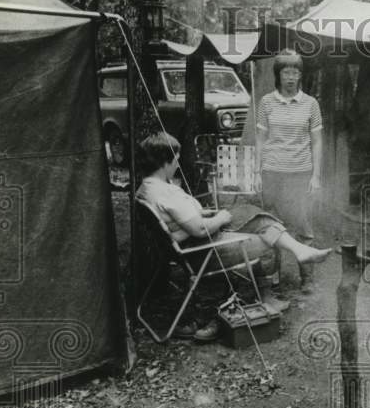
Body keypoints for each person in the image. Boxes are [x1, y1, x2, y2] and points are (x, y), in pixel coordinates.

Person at [137, 132, 331, 336]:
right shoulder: (166, 193)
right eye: (175, 157)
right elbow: (200, 229)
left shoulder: (147, 188)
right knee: (266, 237)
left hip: (190, 248)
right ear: (163, 161)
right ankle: (270, 287)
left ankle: (297, 253)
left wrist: (203, 217)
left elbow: (179, 226)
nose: (177, 162)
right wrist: (220, 217)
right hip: (203, 252)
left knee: (257, 218)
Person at [255, 49, 324, 294]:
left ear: (301, 75)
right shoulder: (266, 102)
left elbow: (316, 142)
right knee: (271, 225)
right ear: (279, 74)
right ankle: (272, 278)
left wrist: (315, 176)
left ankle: (307, 278)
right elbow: (261, 140)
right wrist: (257, 172)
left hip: (300, 173)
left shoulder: (311, 104)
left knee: (303, 225)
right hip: (272, 172)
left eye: (295, 71)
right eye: (286, 71)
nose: (291, 77)